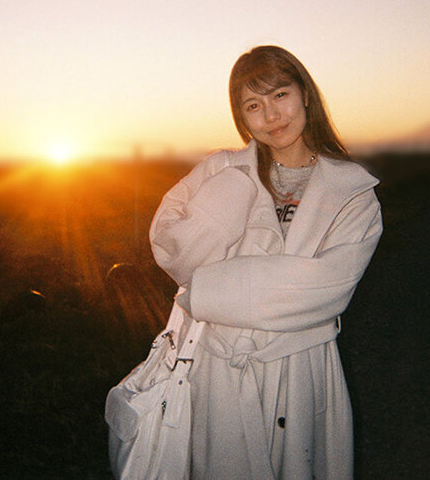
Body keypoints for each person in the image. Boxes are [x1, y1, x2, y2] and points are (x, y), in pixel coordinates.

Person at [149, 45, 383, 479]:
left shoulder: (351, 190)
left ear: (305, 94)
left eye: (280, 94)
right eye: (253, 105)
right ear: (241, 117)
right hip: (217, 370)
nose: (271, 115)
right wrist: (232, 193)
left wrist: (204, 293)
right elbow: (172, 249)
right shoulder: (222, 171)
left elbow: (326, 287)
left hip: (301, 370)